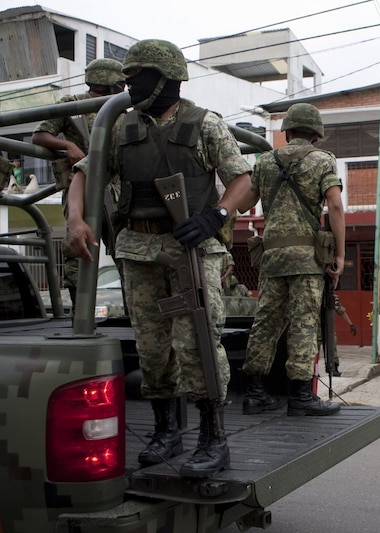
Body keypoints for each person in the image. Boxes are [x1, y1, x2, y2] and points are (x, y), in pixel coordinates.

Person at [66, 39, 254, 479]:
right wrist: (75, 220)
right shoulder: (118, 126)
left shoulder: (204, 125)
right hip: (138, 248)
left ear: (167, 77)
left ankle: (213, 437)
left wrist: (216, 216)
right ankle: (166, 430)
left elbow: (242, 180)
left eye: (139, 76)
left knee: (198, 342)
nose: (129, 83)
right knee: (152, 348)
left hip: (190, 249)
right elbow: (83, 175)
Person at [238, 102, 344, 417]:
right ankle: (300, 395)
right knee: (304, 322)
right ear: (316, 133)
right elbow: (335, 207)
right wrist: (338, 254)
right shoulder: (322, 160)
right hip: (306, 260)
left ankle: (255, 393)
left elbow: (244, 204)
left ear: (287, 130)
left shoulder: (265, 162)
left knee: (265, 323)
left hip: (271, 259)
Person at [32, 58, 127, 307]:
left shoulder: (121, 110)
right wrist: (68, 145)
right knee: (78, 248)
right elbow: (40, 135)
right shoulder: (73, 105)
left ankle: (132, 315)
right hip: (80, 185)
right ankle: (81, 319)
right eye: (120, 83)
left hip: (117, 188)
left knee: (125, 249)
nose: (124, 88)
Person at [330, 294, 357, 377]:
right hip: (315, 327)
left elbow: (341, 311)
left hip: (329, 327)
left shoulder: (333, 298)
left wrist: (351, 324)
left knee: (332, 345)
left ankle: (334, 368)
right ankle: (314, 371)